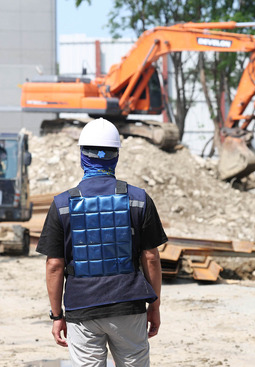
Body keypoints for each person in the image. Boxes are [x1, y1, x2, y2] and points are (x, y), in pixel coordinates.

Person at [36, 118, 166, 367]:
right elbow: (151, 257)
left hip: (82, 309)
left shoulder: (62, 204)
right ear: (115, 156)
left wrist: (56, 315)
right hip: (129, 305)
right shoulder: (138, 199)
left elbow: (54, 265)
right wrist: (155, 306)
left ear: (82, 155)